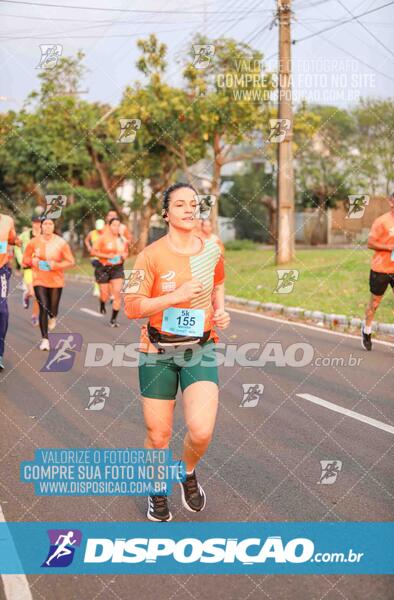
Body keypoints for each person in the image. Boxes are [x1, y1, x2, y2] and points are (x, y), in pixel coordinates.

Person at [124, 182, 230, 522]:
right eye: (180, 204)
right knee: (159, 434)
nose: (189, 209)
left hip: (200, 348)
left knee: (201, 430)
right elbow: (131, 306)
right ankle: (157, 490)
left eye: (193, 204)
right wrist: (174, 295)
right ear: (166, 213)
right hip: (157, 351)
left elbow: (218, 282)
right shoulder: (150, 255)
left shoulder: (212, 249)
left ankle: (186, 472)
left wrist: (221, 309)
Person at [22, 218, 75, 351]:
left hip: (56, 280)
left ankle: (53, 317)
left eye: (50, 224)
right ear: (41, 226)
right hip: (39, 278)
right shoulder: (34, 242)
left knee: (53, 310)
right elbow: (25, 259)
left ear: (53, 226)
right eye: (45, 224)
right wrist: (32, 261)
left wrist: (55, 265)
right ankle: (45, 339)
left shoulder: (61, 242)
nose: (47, 226)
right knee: (43, 307)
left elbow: (70, 261)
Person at [362, 190, 394, 353]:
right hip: (380, 269)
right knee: (374, 305)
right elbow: (370, 243)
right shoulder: (382, 221)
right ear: (391, 203)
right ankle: (367, 328)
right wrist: (389, 247)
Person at [91, 216, 128, 326]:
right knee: (105, 295)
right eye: (114, 225)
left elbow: (126, 253)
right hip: (103, 268)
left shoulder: (122, 239)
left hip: (117, 268)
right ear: (109, 226)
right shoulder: (103, 238)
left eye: (118, 225)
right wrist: (107, 255)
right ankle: (102, 302)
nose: (116, 227)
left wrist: (123, 256)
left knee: (117, 293)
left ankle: (113, 320)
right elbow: (93, 251)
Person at [0, 212, 21, 370]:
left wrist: (17, 241)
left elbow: (13, 239)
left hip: (1, 270)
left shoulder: (7, 221)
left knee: (2, 311)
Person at [14, 216, 41, 326]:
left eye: (39, 222)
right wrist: (21, 260)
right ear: (32, 223)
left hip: (40, 267)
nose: (37, 224)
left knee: (38, 294)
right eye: (35, 222)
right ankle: (27, 295)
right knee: (32, 292)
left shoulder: (44, 236)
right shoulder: (25, 236)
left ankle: (34, 316)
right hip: (28, 267)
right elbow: (16, 246)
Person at [84, 218, 105, 297]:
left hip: (105, 257)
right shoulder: (92, 233)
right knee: (98, 271)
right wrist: (89, 247)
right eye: (98, 229)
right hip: (95, 257)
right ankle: (96, 288)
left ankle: (104, 288)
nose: (99, 230)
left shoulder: (106, 233)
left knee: (105, 272)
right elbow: (86, 240)